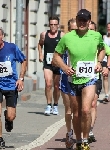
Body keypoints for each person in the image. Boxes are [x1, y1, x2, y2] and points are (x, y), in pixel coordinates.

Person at [52, 9, 105, 150]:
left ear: (89, 21)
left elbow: (102, 49)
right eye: (80, 20)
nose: (82, 23)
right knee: (76, 113)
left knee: (86, 110)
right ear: (76, 21)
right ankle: (79, 140)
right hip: (73, 79)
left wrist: (99, 62)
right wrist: (64, 67)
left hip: (90, 78)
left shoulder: (96, 35)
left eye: (85, 20)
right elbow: (56, 56)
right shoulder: (68, 37)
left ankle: (86, 140)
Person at [38, 16, 65, 115]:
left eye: (55, 25)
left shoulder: (62, 35)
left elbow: (66, 48)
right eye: (51, 24)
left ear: (58, 25)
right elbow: (40, 44)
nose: (53, 27)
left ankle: (56, 105)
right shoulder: (44, 34)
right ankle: (49, 105)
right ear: (49, 25)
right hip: (47, 63)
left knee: (57, 86)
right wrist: (40, 54)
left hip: (58, 63)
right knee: (48, 84)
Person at [59, 18, 77, 149]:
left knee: (82, 109)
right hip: (66, 79)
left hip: (82, 79)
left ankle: (83, 135)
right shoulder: (64, 42)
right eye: (71, 29)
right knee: (69, 109)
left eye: (76, 29)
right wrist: (64, 67)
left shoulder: (86, 41)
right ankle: (69, 133)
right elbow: (55, 58)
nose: (74, 32)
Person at [102, 22, 110, 102]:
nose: (109, 29)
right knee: (105, 76)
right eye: (108, 27)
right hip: (105, 59)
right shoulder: (104, 37)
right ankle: (106, 95)